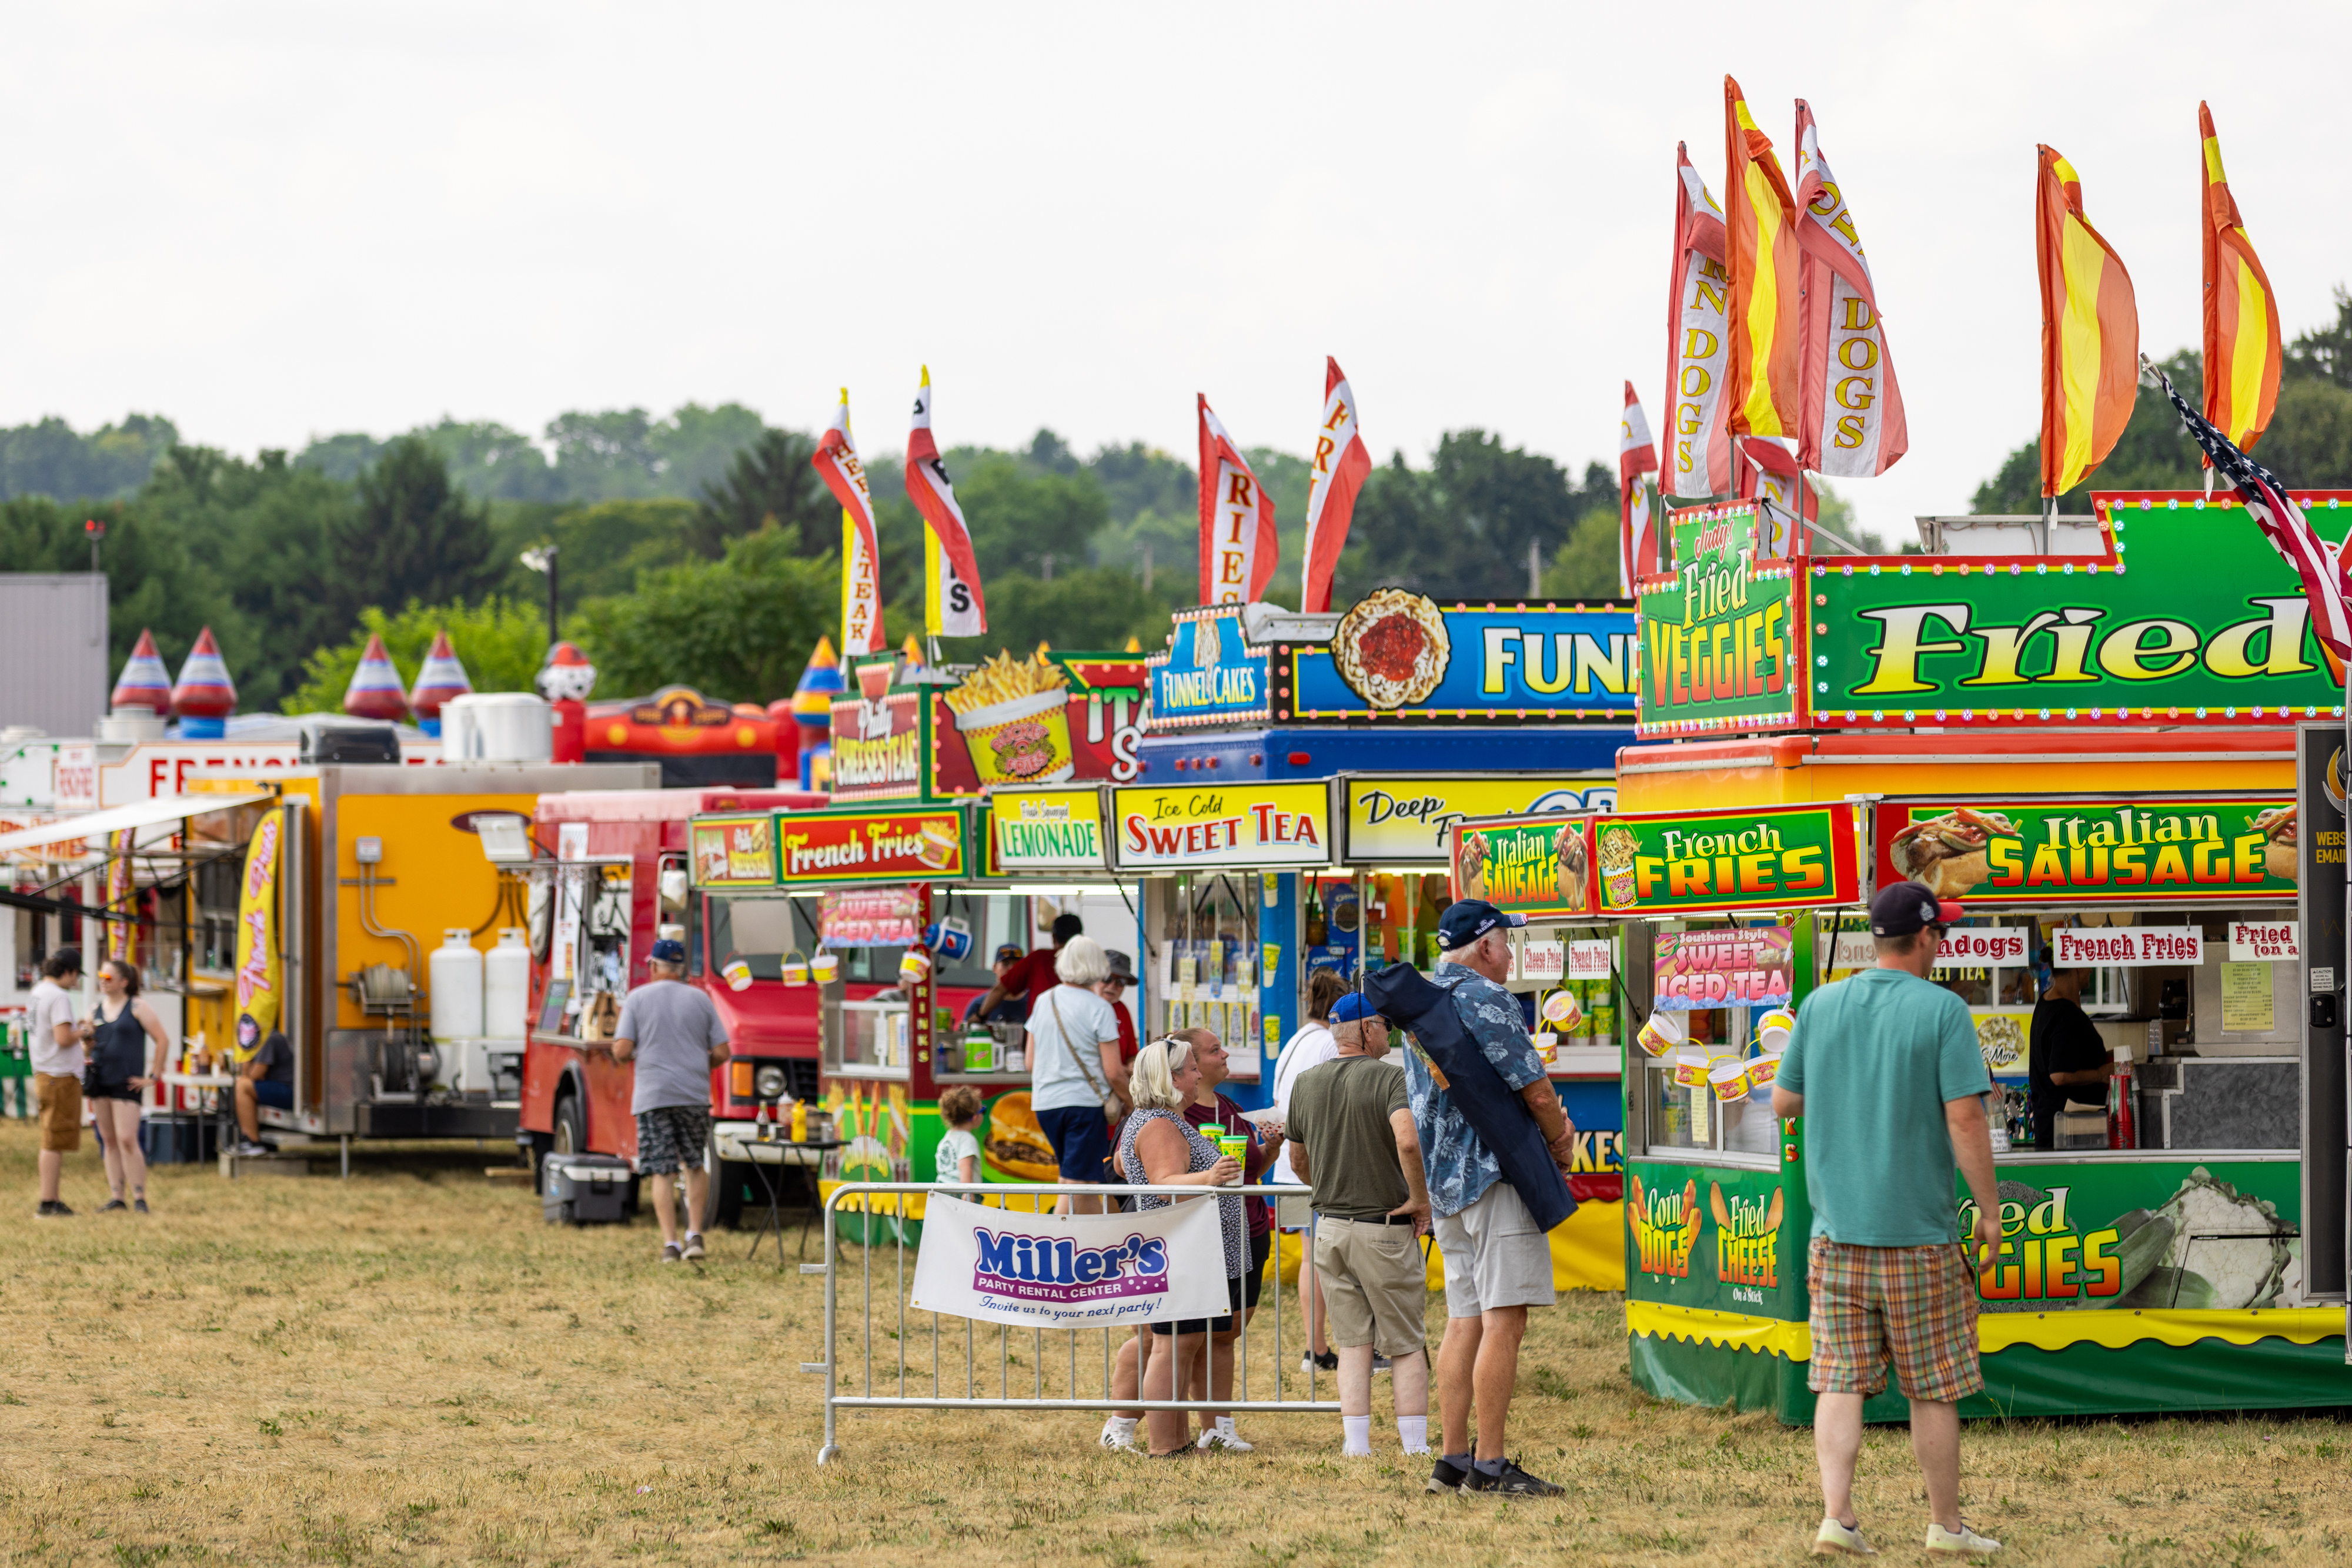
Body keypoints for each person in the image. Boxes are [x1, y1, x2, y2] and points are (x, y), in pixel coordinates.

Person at [1772, 881, 2003, 1558]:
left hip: (1836, 1234)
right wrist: (1988, 1211)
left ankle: (1837, 1519)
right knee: (1932, 1388)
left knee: (1839, 1380)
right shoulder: (1942, 1012)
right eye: (1944, 935)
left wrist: (1847, 1096)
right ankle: (1945, 1528)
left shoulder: (1819, 1005)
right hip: (1919, 1238)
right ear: (1927, 937)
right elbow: (1965, 1118)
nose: (1944, 945)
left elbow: (1785, 1101)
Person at [1411, 900, 1576, 1498]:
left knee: (1464, 1320)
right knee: (1505, 1320)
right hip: (1494, 1177)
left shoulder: (1424, 997)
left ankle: (1452, 1460)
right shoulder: (1484, 997)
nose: (1511, 955)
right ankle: (1492, 1464)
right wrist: (1560, 1142)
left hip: (1448, 1187)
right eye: (1507, 944)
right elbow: (1534, 1086)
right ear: (1484, 947)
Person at [1101, 1023, 1274, 1453]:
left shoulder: (1159, 1120)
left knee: (1180, 1346)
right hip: (1179, 1251)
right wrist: (1211, 1175)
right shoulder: (1160, 1122)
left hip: (1187, 1250)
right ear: (1171, 1078)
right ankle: (1166, 1445)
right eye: (1192, 1069)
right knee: (1172, 1348)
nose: (1199, 1076)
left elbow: (1128, 1168)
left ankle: (1175, 1442)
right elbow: (1164, 1182)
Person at [1285, 992, 1433, 1459]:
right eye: (1384, 1024)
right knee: (1406, 1342)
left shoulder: (1306, 1082)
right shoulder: (1391, 1078)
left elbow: (1297, 1159)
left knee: (1352, 1342)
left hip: (1328, 1226)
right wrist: (1419, 1199)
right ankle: (1414, 1447)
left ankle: (1357, 1446)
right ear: (1366, 1029)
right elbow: (1408, 1141)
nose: (1389, 1031)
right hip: (1383, 1226)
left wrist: (1327, 1182)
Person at [602, 937, 731, 1263]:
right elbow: (722, 1052)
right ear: (682, 967)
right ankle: (696, 1235)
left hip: (654, 1097)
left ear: (653, 966)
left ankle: (671, 1244)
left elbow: (621, 1049)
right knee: (695, 1164)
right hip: (693, 1096)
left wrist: (629, 1052)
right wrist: (701, 1066)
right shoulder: (701, 999)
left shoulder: (637, 998)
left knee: (662, 1170)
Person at [1272, 967, 1347, 1370]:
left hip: (1287, 1167)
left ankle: (1314, 1347)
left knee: (1310, 1258)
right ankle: (1329, 1348)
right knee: (1331, 1259)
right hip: (1315, 1168)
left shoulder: (1294, 1041)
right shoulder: (1328, 1045)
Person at [1024, 935, 1128, 1214]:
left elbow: (1030, 1062)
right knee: (1078, 1183)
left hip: (1045, 1105)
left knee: (1077, 1179)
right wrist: (1134, 1100)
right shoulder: (1100, 1008)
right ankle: (1057, 1245)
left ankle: (1096, 1243)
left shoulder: (1044, 1000)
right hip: (1083, 1107)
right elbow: (1114, 1071)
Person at [86, 959, 170, 1212]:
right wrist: (86, 1042)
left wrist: (153, 1076)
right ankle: (117, 1196)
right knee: (108, 1139)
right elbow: (87, 1047)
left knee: (127, 1139)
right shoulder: (95, 1010)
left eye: (108, 977)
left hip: (127, 1082)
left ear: (124, 982)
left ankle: (140, 1196)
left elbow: (162, 1040)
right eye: (101, 976)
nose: (103, 981)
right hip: (100, 1080)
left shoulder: (137, 1006)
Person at [29, 948, 85, 1216]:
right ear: (68, 971)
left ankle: (50, 1199)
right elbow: (63, 1038)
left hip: (45, 1073)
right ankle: (48, 1202)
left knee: (52, 1138)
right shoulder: (58, 996)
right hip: (58, 1076)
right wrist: (84, 1031)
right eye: (76, 975)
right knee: (53, 1141)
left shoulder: (38, 992)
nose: (77, 982)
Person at [2027, 959, 2107, 1151]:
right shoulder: (2066, 1014)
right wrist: (2101, 1074)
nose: (2090, 969)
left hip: (2050, 1126)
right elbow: (2060, 1075)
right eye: (2088, 964)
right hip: (2067, 1135)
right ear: (2077, 968)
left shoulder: (2046, 1002)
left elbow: (2071, 1057)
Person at [972, 912, 1083, 1021]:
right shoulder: (1087, 962)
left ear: (1053, 937)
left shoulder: (1039, 959)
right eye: (1006, 964)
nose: (1011, 968)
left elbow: (1000, 989)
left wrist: (980, 1016)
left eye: (1015, 964)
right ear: (1081, 937)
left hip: (1042, 1033)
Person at [234, 1028, 296, 1157]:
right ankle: (247, 1137)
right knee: (242, 1084)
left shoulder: (269, 1039)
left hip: (291, 1092)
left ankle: (253, 1142)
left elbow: (255, 1075)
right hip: (279, 1088)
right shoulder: (261, 1039)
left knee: (242, 1087)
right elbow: (248, 1076)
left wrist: (246, 1057)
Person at [964, 944, 1030, 1027]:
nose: (1011, 969)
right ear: (994, 967)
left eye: (1017, 965)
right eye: (1005, 964)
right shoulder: (978, 1005)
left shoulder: (1033, 1002)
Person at [934, 1085, 984, 1186]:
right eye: (983, 1111)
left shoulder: (948, 1137)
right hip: (959, 1193)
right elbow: (965, 1167)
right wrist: (968, 1193)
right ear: (975, 1118)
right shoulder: (968, 1140)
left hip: (943, 1188)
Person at [1100, 949, 1140, 1065]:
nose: (1112, 986)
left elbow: (1131, 1055)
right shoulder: (1083, 1007)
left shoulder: (1122, 1009)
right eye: (1108, 978)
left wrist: (1133, 1066)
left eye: (1121, 981)